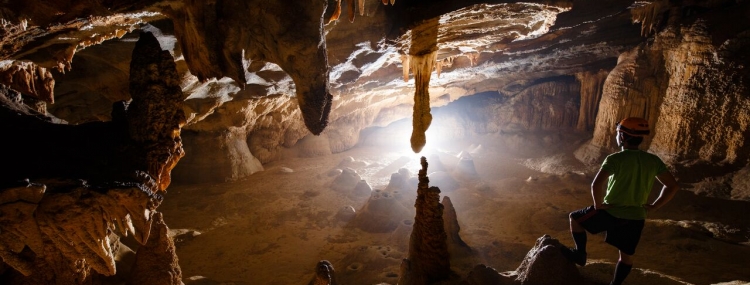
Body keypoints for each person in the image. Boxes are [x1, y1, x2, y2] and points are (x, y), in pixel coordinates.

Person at [562, 117, 680, 285]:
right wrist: (654, 206)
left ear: (623, 137)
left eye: (618, 133)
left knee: (575, 219)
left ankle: (580, 254)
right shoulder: (653, 161)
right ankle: (615, 284)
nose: (616, 136)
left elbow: (596, 183)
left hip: (612, 211)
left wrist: (598, 204)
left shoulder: (615, 159)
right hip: (636, 216)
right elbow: (672, 186)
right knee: (626, 256)